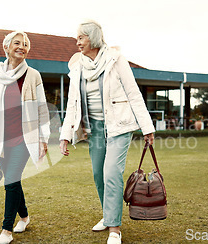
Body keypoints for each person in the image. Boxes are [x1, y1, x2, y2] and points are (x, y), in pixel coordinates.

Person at [59, 21, 155, 244]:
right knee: (98, 175)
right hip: (94, 128)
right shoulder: (77, 66)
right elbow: (72, 103)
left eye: (80, 38)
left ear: (92, 38)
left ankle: (114, 229)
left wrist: (147, 127)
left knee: (111, 172)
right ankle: (108, 214)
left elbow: (133, 92)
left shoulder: (116, 59)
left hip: (119, 125)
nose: (77, 42)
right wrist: (65, 135)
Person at [0, 31, 50, 244]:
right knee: (12, 181)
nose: (22, 47)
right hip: (0, 138)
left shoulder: (33, 75)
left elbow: (42, 109)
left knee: (12, 180)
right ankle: (24, 216)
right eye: (17, 43)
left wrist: (44, 138)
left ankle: (6, 230)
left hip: (24, 138)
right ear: (6, 47)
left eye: (25, 44)